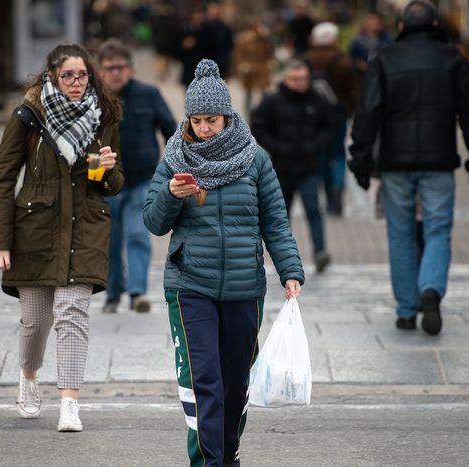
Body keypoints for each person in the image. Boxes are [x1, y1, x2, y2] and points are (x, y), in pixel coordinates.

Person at [143, 59, 304, 467]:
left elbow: (275, 221)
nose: (204, 128)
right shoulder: (176, 157)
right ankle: (207, 463)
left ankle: (227, 455)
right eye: (196, 120)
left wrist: (290, 271)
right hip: (189, 285)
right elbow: (154, 222)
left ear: (228, 116)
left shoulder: (255, 159)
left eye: (211, 119)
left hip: (243, 286)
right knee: (204, 383)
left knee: (236, 384)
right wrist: (171, 196)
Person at [0, 43, 123, 431]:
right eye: (68, 76)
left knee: (72, 312)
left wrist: (106, 171)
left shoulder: (105, 114)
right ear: (52, 77)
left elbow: (112, 183)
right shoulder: (28, 116)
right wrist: (1, 240)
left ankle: (69, 403)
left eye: (83, 75)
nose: (77, 83)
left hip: (86, 226)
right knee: (34, 320)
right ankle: (29, 378)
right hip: (35, 230)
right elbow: (3, 179)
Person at [348, 0, 469, 335]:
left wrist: (360, 159)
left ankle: (405, 309)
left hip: (395, 163)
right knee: (437, 229)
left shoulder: (384, 60)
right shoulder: (454, 59)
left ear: (401, 27)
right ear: (435, 24)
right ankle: (431, 289)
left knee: (399, 233)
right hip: (439, 160)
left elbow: (367, 113)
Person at [96, 38, 177, 314]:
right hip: (105, 183)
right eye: (109, 68)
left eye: (120, 67)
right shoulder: (93, 98)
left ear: (131, 69)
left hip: (143, 178)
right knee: (109, 240)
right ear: (100, 70)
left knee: (137, 235)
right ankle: (112, 294)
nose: (115, 72)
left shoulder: (149, 94)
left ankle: (138, 293)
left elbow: (171, 131)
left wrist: (174, 168)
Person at [251, 60, 336, 273]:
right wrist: (275, 147)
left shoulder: (317, 100)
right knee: (280, 215)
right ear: (286, 79)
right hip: (281, 167)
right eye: (296, 79)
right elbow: (258, 126)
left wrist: (317, 145)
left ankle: (320, 252)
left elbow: (331, 125)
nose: (301, 83)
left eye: (304, 79)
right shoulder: (273, 101)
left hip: (308, 167)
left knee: (314, 210)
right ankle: (283, 258)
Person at [306, 21, 358, 216]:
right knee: (338, 155)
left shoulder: (306, 59)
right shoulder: (344, 61)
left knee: (320, 156)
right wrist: (351, 112)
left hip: (312, 119)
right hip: (338, 117)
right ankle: (336, 193)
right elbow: (353, 92)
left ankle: (327, 192)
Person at [232, 19, 275, 113]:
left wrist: (270, 62)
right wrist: (241, 65)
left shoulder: (263, 40)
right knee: (248, 91)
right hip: (249, 69)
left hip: (262, 67)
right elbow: (238, 54)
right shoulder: (243, 40)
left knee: (265, 91)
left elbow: (270, 51)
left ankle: (267, 110)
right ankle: (247, 112)